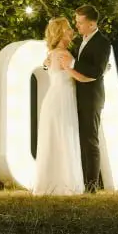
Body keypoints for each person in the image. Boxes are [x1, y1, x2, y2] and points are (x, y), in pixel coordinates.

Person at [32, 17, 85, 196]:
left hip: (54, 99)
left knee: (55, 139)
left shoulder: (51, 54)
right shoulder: (63, 54)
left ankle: (50, 184)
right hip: (61, 100)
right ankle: (65, 185)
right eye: (69, 28)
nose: (72, 31)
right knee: (63, 137)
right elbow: (76, 75)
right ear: (62, 33)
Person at [63, 4, 112, 193]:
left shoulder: (102, 43)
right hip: (77, 96)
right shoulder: (80, 42)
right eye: (76, 22)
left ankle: (91, 186)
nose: (77, 26)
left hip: (91, 99)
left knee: (90, 141)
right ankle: (80, 182)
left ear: (92, 24)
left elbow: (97, 71)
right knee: (78, 141)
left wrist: (74, 63)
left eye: (80, 22)